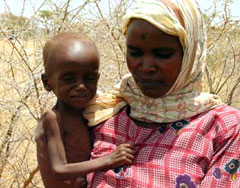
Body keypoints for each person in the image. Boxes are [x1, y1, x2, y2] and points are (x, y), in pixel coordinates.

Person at [85, 0, 240, 187]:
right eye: (135, 52)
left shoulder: (223, 127)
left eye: (162, 54)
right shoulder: (104, 111)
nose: (146, 67)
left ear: (190, 55)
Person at [35, 32, 134, 188]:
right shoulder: (53, 118)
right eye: (69, 79)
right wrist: (110, 159)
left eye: (89, 79)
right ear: (47, 82)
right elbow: (59, 170)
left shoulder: (91, 112)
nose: (81, 86)